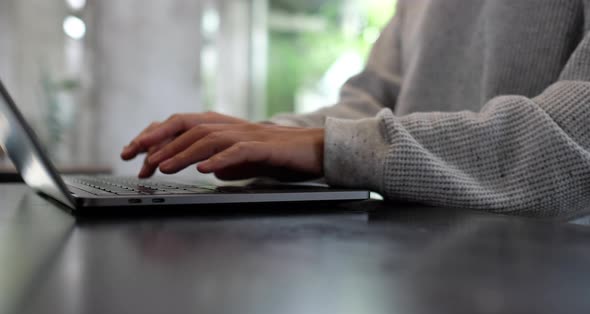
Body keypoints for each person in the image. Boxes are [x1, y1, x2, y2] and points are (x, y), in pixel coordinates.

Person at [121, 0, 590, 216]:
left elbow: (573, 142)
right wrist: (258, 136)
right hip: (421, 271)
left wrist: (333, 145)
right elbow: (367, 103)